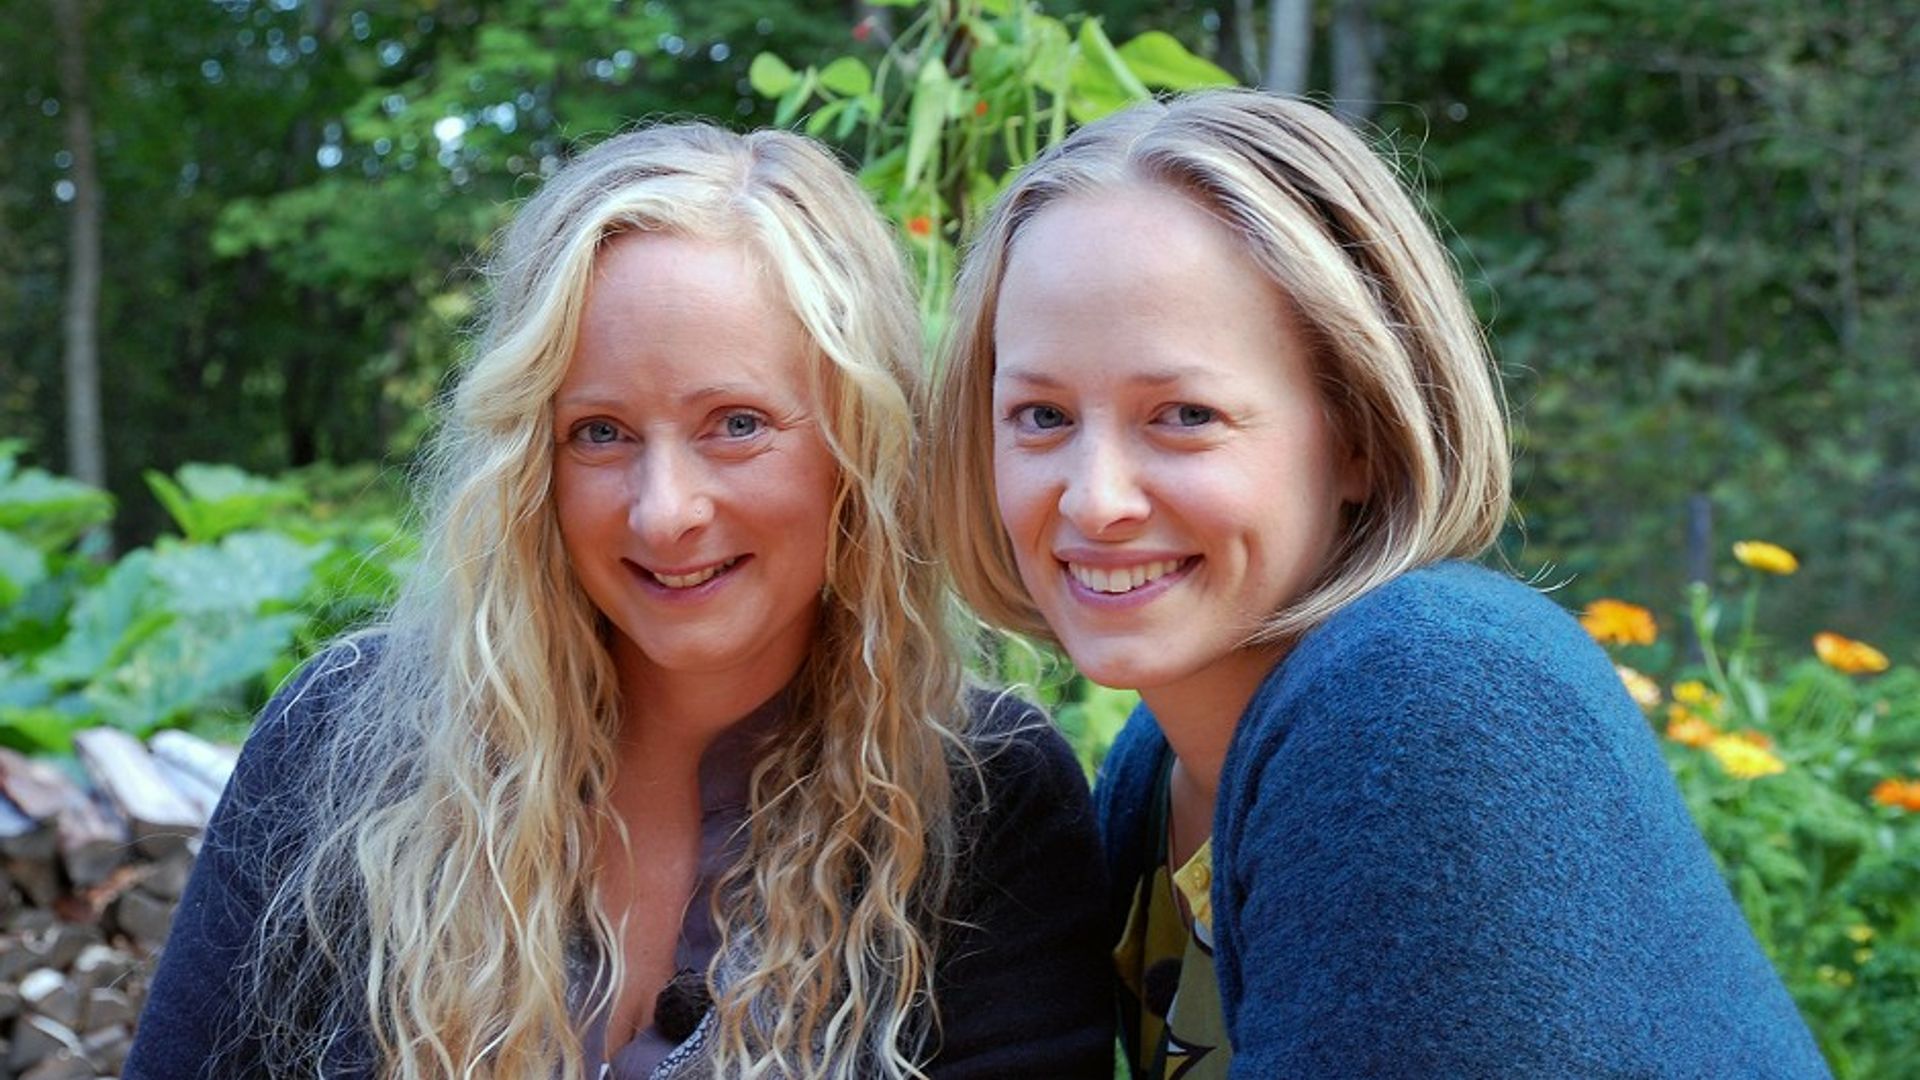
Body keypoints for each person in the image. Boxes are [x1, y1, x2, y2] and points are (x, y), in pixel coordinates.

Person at [127, 123, 1113, 1080]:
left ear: (862, 445)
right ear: (531, 462)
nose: (665, 511)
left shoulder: (986, 805)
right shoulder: (341, 739)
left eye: (736, 423)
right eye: (600, 432)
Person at [929, 89, 1830, 1078]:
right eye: (1043, 417)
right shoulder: (1154, 774)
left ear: (1359, 433)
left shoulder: (1428, 699)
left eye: (1184, 415)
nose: (1096, 499)